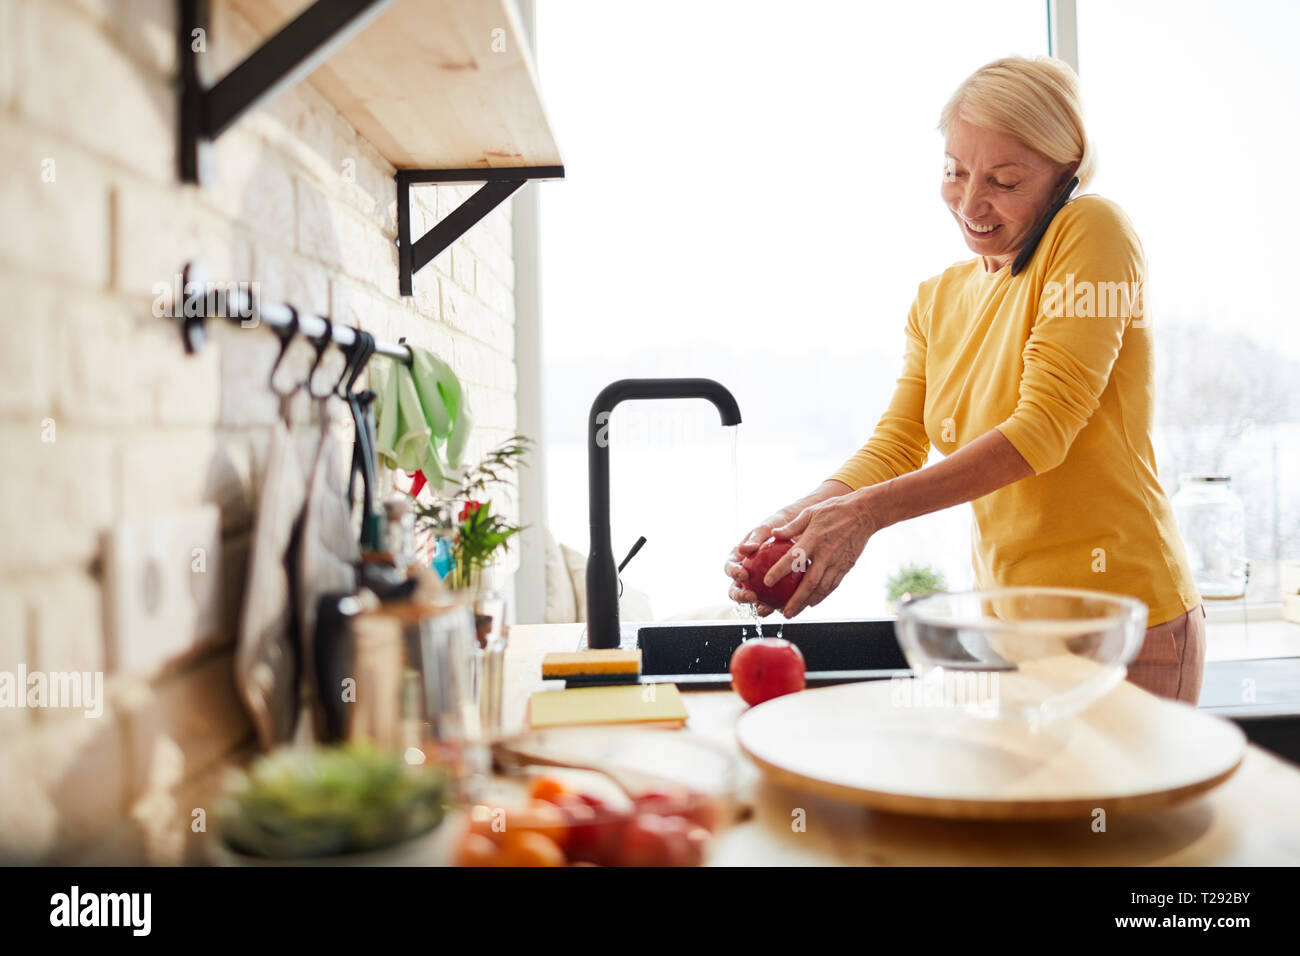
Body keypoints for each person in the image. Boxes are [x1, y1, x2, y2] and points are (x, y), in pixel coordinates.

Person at [724, 56, 1204, 704]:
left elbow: (1044, 431)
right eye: (954, 171)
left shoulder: (1093, 232)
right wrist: (800, 520)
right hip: (1008, 633)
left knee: (1117, 810)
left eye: (1004, 181)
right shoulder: (938, 298)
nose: (970, 201)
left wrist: (862, 517)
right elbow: (897, 444)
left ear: (1067, 175)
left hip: (1125, 628)